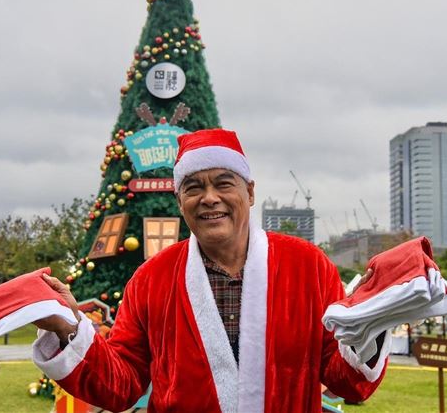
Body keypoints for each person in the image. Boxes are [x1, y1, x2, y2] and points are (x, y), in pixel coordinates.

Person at [31, 129, 389, 412]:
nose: (209, 198)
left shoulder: (308, 266)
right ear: (180, 202)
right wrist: (69, 327)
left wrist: (373, 320)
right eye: (193, 187)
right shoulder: (151, 279)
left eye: (223, 183)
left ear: (249, 192)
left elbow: (344, 380)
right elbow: (121, 384)